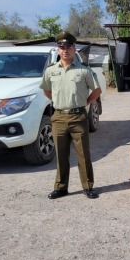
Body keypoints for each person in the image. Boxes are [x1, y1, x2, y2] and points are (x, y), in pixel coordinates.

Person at [40, 31, 102, 199]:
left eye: (68, 47)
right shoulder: (51, 71)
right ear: (58, 50)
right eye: (61, 47)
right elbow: (46, 90)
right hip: (59, 117)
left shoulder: (84, 71)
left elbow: (97, 90)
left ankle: (88, 186)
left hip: (78, 117)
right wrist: (58, 100)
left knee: (83, 154)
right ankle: (61, 187)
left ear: (75, 49)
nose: (65, 50)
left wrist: (85, 103)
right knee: (61, 155)